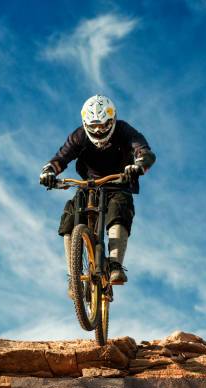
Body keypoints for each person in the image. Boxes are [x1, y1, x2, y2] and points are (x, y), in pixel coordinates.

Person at [40, 94, 156, 295]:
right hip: (88, 184)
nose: (98, 131)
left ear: (112, 121)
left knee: (119, 208)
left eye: (103, 126)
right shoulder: (79, 136)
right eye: (93, 126)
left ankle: (114, 265)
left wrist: (139, 165)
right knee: (70, 217)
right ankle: (73, 278)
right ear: (86, 124)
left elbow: (143, 151)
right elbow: (61, 158)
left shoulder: (123, 130)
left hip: (118, 182)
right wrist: (49, 172)